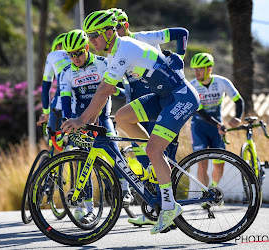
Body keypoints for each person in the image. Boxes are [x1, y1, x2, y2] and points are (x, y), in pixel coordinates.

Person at [61, 10, 200, 234]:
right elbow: (103, 91)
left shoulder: (124, 48)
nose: (91, 40)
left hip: (180, 96)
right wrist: (89, 122)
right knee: (123, 117)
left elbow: (105, 90)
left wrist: (82, 119)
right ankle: (157, 165)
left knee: (154, 150)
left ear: (109, 32)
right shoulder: (113, 53)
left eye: (95, 34)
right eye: (89, 36)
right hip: (163, 97)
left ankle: (169, 207)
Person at [109, 7, 188, 227]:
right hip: (143, 104)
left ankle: (170, 210)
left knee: (161, 155)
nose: (115, 33)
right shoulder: (114, 52)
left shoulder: (143, 38)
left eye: (117, 28)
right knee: (147, 164)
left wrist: (178, 58)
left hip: (166, 99)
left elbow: (181, 32)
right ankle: (156, 209)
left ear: (125, 26)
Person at [59, 29, 128, 224]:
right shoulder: (66, 73)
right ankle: (89, 210)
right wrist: (70, 122)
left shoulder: (103, 64)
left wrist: (116, 91)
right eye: (70, 55)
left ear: (87, 48)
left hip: (103, 117)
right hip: (81, 121)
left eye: (78, 53)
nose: (75, 58)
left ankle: (125, 189)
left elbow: (123, 92)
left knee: (114, 153)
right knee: (83, 164)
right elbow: (65, 104)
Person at [189, 52, 244, 202]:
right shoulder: (192, 86)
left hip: (217, 128)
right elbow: (200, 112)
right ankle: (205, 196)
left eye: (199, 68)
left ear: (209, 69)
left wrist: (237, 117)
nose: (196, 72)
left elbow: (239, 101)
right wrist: (218, 124)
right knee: (202, 164)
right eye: (194, 69)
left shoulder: (222, 82)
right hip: (199, 127)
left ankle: (214, 190)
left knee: (219, 165)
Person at [36, 33, 71, 149]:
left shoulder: (53, 55)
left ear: (57, 47)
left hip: (60, 105)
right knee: (78, 148)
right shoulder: (80, 55)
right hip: (83, 105)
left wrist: (46, 114)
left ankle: (54, 157)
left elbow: (46, 88)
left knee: (54, 147)